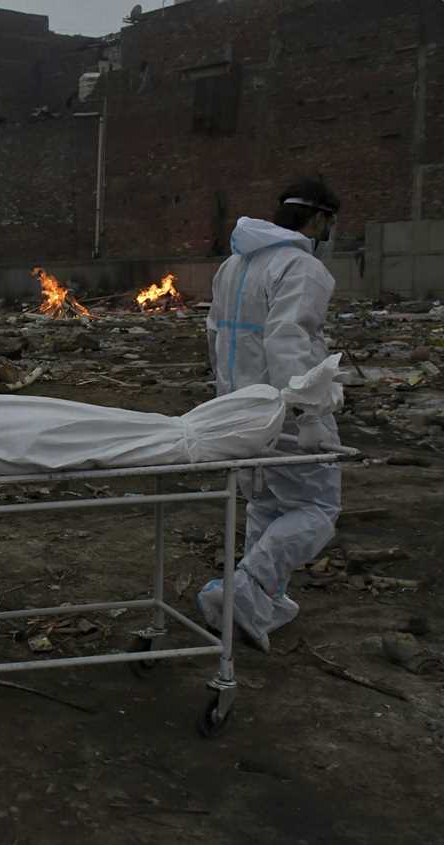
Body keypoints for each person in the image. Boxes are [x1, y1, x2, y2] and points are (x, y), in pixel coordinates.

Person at [198, 178, 343, 653]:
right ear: (318, 219)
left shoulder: (234, 265)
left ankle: (259, 603)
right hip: (284, 411)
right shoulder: (301, 267)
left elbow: (216, 337)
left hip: (241, 410)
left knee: (266, 505)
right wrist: (310, 415)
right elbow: (289, 343)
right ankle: (245, 589)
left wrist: (226, 403)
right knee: (317, 509)